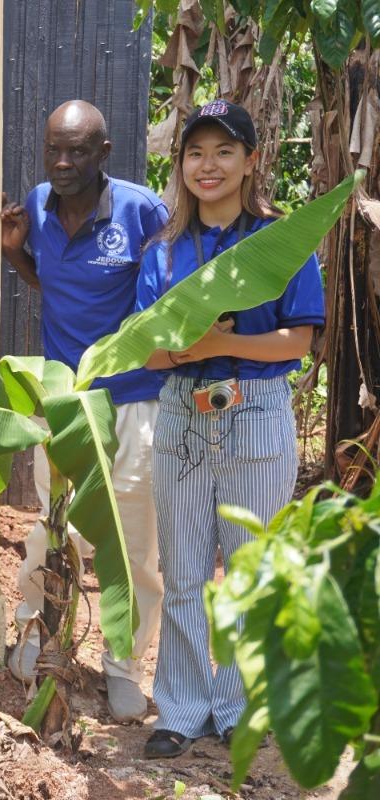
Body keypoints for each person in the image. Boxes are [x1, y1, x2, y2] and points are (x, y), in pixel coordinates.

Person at [136, 100, 323, 758]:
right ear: (180, 164)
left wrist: (223, 336)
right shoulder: (163, 251)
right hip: (184, 412)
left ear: (250, 160)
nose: (206, 165)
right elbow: (146, 350)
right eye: (195, 152)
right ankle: (181, 710)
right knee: (184, 570)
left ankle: (240, 705)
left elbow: (298, 339)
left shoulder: (280, 242)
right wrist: (185, 347)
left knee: (248, 569)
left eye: (222, 151)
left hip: (255, 411)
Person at [0, 100, 168, 723]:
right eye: (53, 150)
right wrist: (15, 253)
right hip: (67, 403)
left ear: (105, 152)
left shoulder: (140, 210)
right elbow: (54, 282)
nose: (63, 162)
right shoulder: (38, 204)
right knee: (50, 527)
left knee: (132, 542)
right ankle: (38, 636)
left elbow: (163, 299)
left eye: (77, 151)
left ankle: (124, 666)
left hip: (132, 399)